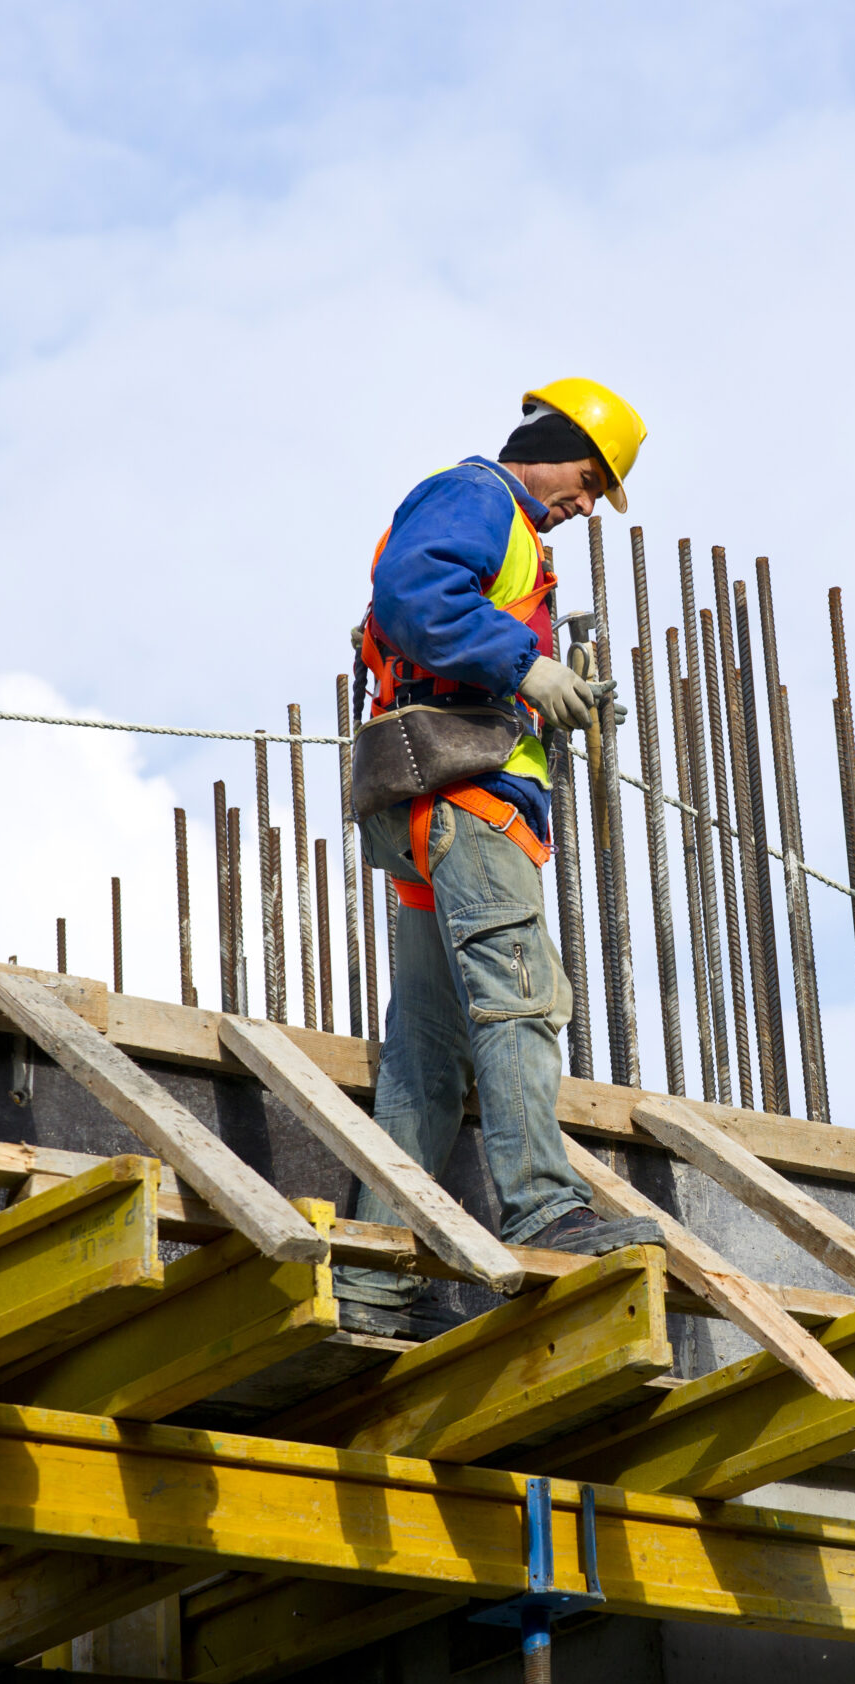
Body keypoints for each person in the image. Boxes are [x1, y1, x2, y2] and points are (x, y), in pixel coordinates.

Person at [339, 378, 663, 1338]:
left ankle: (373, 1277)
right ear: (550, 442)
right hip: (466, 803)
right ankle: (545, 1207)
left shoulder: (516, 533)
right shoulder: (481, 497)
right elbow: (412, 595)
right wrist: (525, 667)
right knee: (522, 997)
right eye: (590, 477)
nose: (588, 503)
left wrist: (539, 682)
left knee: (427, 1058)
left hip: (435, 806)